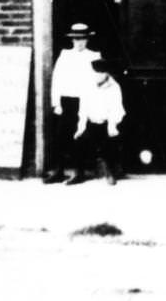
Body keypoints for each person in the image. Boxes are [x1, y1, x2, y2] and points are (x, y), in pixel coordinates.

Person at [45, 23, 99, 184]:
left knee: (80, 136)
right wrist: (56, 103)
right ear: (72, 40)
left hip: (84, 101)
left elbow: (95, 81)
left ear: (87, 40)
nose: (79, 42)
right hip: (66, 100)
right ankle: (59, 170)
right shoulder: (65, 55)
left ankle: (79, 172)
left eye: (82, 39)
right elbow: (57, 79)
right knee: (61, 135)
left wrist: (91, 103)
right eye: (76, 39)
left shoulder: (94, 56)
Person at [74, 56, 127, 185]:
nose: (98, 75)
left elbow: (116, 109)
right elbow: (83, 109)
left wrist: (112, 125)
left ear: (107, 73)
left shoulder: (114, 87)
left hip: (107, 123)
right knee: (80, 140)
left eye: (101, 73)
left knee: (109, 143)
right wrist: (81, 128)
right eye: (96, 73)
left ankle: (110, 171)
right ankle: (79, 173)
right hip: (92, 123)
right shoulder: (87, 87)